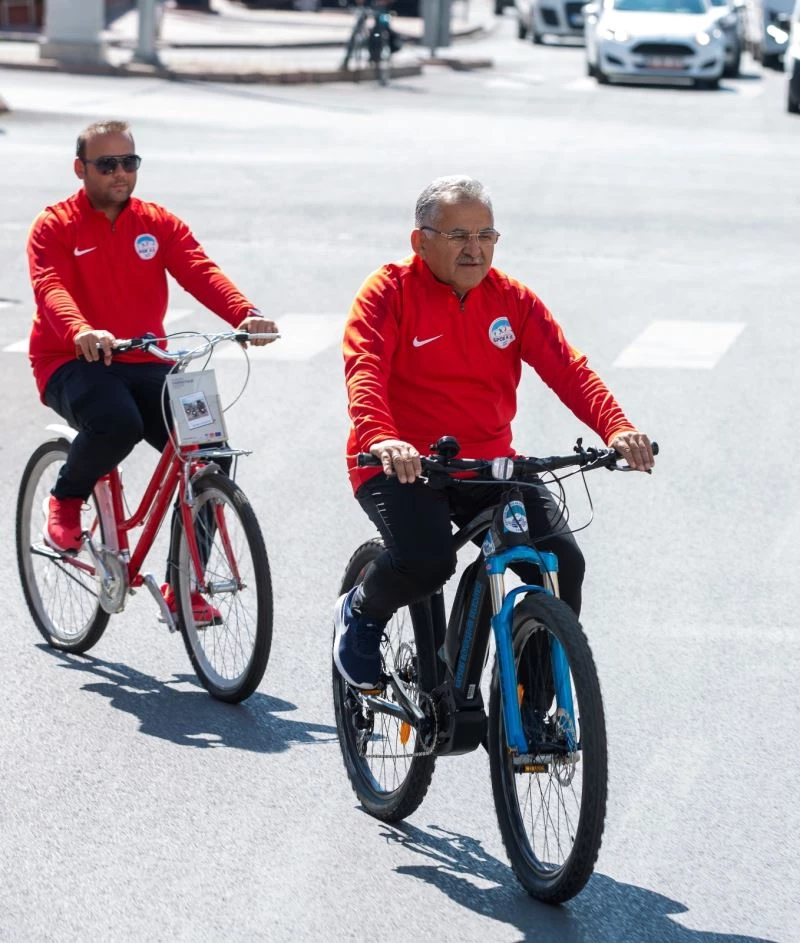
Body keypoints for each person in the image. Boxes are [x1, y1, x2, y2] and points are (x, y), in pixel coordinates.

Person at [334, 175, 654, 690]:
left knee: (561, 560)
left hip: (489, 463)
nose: (474, 249)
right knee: (427, 561)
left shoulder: (513, 299)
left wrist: (617, 426)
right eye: (458, 235)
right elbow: (364, 368)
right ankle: (362, 613)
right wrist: (382, 437)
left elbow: (568, 369)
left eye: (485, 235)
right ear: (421, 241)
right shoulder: (388, 291)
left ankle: (530, 697)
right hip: (400, 462)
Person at [27, 119, 278, 621]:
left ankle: (184, 584)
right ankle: (67, 496)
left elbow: (199, 269)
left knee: (210, 453)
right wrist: (81, 329)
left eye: (129, 162)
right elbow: (50, 286)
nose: (120, 173)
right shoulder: (54, 225)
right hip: (71, 362)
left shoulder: (156, 222)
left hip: (146, 359)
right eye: (107, 164)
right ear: (81, 169)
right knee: (116, 421)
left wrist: (244, 315)